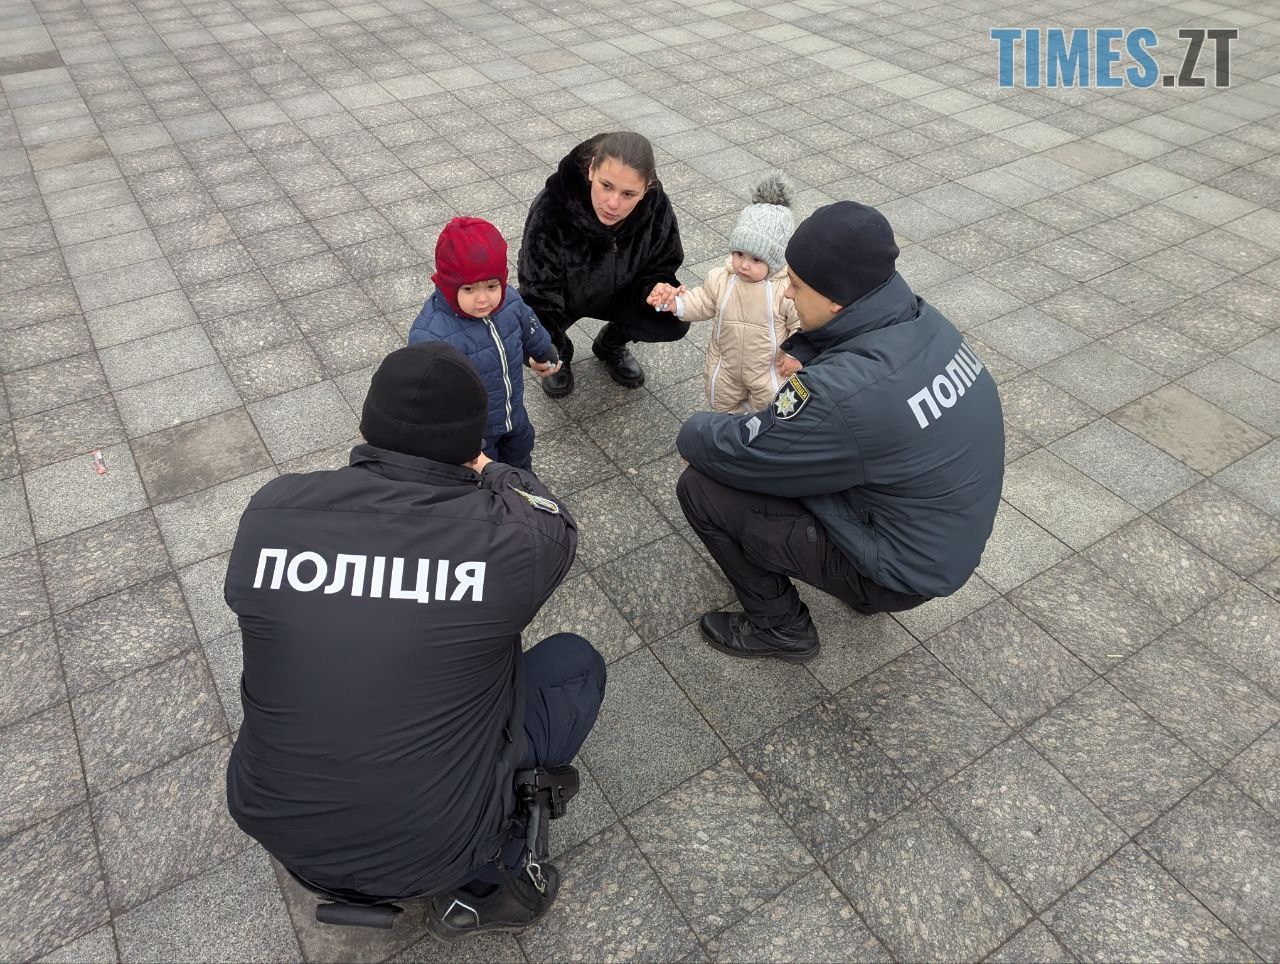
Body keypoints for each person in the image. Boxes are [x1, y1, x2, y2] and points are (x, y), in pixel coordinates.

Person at [223, 342, 606, 940]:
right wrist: (492, 469)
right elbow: (553, 518)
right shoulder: (508, 544)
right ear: (468, 443)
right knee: (576, 665)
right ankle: (484, 885)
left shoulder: (272, 511)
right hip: (438, 847)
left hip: (279, 825)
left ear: (367, 423)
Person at [675, 201, 1005, 663]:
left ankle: (781, 628)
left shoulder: (841, 395)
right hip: (941, 545)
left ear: (835, 299)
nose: (785, 294)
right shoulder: (925, 324)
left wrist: (694, 433)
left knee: (703, 485)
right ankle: (858, 583)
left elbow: (749, 447)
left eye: (795, 284)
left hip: (900, 570)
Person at [518, 130, 686, 397]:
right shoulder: (553, 205)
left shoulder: (657, 206)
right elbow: (537, 286)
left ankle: (611, 343)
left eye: (629, 194)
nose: (613, 203)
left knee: (674, 317)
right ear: (592, 170)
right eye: (606, 186)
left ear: (646, 189)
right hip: (565, 297)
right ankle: (561, 353)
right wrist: (545, 346)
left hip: (625, 292)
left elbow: (663, 262)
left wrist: (659, 288)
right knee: (526, 324)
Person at [408, 217, 561, 472]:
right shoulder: (431, 333)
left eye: (491, 286)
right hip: (474, 434)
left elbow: (530, 328)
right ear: (448, 286)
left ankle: (523, 489)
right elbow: (427, 396)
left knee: (521, 456)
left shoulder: (509, 301)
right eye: (468, 289)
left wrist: (543, 354)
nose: (483, 299)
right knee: (481, 476)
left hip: (513, 413)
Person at [648, 174, 802, 413]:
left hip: (769, 369)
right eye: (739, 253)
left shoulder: (785, 290)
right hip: (726, 364)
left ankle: (764, 438)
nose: (743, 265)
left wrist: (797, 355)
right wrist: (676, 304)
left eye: (756, 259)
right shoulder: (722, 279)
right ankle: (730, 436)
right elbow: (703, 301)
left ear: (776, 259)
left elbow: (800, 324)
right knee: (724, 404)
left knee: (770, 409)